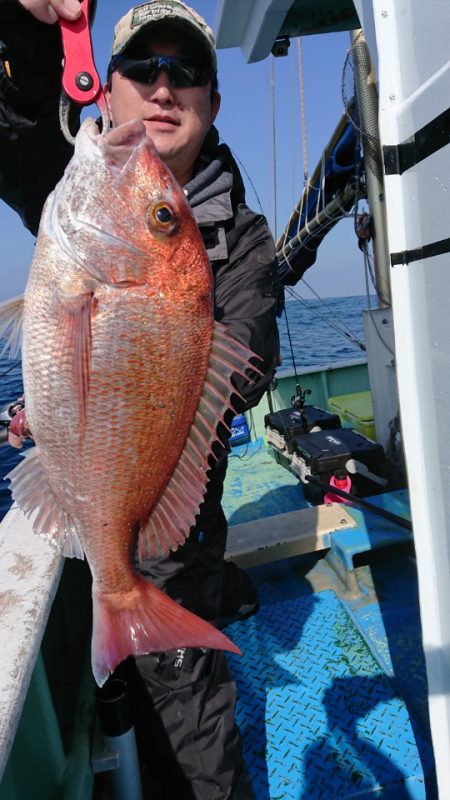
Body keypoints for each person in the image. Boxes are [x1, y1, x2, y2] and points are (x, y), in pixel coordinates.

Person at [0, 2, 281, 797]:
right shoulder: (80, 181)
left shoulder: (244, 239)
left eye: (186, 73)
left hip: (178, 544)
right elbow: (13, 125)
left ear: (212, 104)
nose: (163, 88)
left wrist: (117, 377)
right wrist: (23, 31)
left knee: (196, 748)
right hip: (92, 480)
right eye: (141, 69)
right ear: (104, 89)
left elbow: (245, 361)